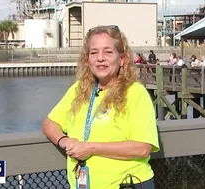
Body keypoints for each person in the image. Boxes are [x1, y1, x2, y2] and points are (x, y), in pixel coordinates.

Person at [42, 25, 159, 189]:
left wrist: (91, 148)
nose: (100, 58)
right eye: (94, 52)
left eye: (108, 52)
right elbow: (50, 123)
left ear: (122, 59)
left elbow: (142, 148)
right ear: (87, 59)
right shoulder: (79, 90)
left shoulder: (135, 93)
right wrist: (65, 141)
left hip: (126, 184)